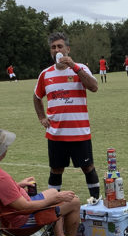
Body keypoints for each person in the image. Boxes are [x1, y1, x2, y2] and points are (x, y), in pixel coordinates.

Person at [0, 128, 93, 236]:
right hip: (18, 221)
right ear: (2, 151)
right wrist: (55, 200)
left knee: (54, 192)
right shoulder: (1, 178)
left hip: (2, 216)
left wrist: (17, 186)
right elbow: (25, 208)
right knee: (73, 201)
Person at [33, 32, 101, 203]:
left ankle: (95, 201)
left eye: (60, 46)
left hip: (79, 131)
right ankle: (51, 206)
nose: (57, 50)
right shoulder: (45, 74)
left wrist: (74, 67)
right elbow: (36, 96)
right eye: (53, 47)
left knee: (88, 167)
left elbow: (94, 87)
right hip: (56, 133)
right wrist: (42, 117)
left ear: (67, 49)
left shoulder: (81, 69)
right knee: (56, 169)